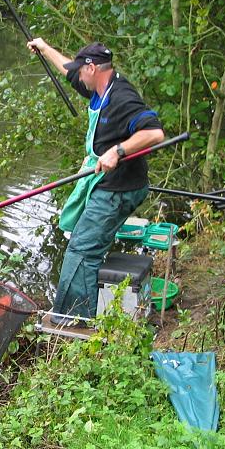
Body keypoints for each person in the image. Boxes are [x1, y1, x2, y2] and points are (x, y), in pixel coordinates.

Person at [26, 39, 164, 326]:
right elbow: (68, 71)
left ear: (92, 68)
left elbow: (154, 133)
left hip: (119, 189)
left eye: (81, 69)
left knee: (81, 250)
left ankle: (73, 319)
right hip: (111, 182)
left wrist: (118, 150)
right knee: (86, 242)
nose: (77, 75)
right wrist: (44, 47)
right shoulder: (100, 85)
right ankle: (92, 307)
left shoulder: (122, 97)